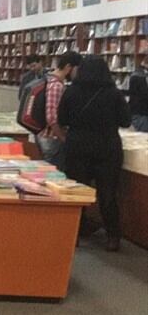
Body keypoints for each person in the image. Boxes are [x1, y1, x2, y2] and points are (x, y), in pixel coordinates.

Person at [58, 56, 131, 252]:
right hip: (107, 147)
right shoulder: (114, 94)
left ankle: (75, 233)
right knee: (108, 193)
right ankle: (112, 237)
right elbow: (126, 121)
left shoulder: (71, 91)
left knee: (77, 192)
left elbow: (62, 119)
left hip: (78, 146)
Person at [37, 51, 82, 169]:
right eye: (77, 69)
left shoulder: (47, 80)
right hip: (52, 138)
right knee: (55, 174)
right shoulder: (56, 85)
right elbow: (52, 117)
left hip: (45, 135)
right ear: (68, 67)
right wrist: (63, 138)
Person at [128, 55, 148, 132]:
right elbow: (142, 96)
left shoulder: (136, 75)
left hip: (138, 114)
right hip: (141, 115)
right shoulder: (138, 77)